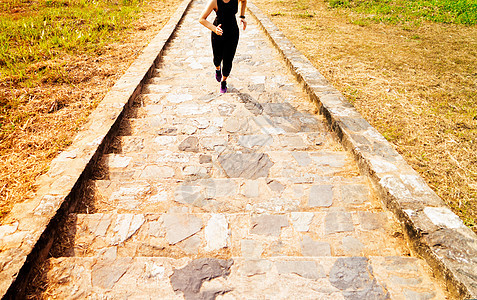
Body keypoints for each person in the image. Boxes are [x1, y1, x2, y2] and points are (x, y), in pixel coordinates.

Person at [199, 0, 247, 93]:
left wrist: (242, 16)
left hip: (233, 33)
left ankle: (224, 81)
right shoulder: (214, 1)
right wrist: (214, 29)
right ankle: (217, 69)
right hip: (218, 34)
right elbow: (202, 19)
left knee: (228, 60)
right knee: (217, 59)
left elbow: (244, 1)